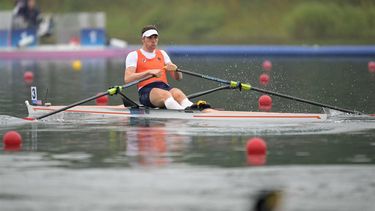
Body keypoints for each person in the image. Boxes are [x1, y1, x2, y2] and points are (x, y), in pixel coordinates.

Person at [124, 25, 194, 110]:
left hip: (165, 87)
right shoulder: (134, 55)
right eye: (150, 38)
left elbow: (178, 78)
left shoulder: (162, 53)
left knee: (177, 93)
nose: (153, 41)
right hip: (146, 92)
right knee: (166, 95)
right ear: (143, 39)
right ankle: (183, 113)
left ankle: (193, 109)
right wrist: (148, 72)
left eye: (155, 37)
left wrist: (176, 70)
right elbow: (127, 79)